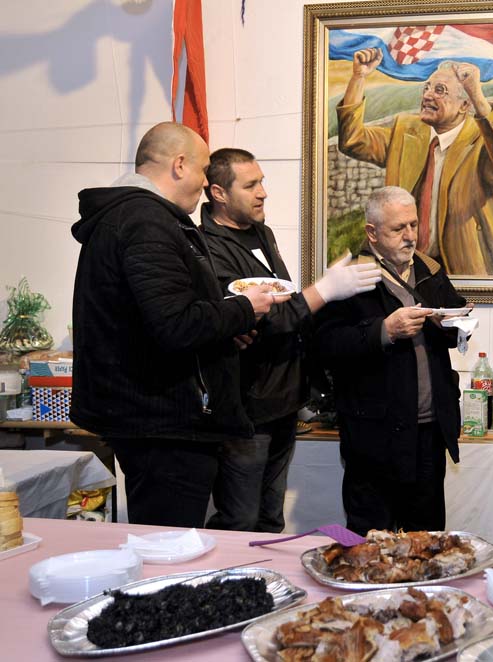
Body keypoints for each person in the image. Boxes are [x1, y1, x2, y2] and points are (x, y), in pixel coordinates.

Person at [70, 122, 288, 527]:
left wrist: (224, 329)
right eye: (205, 170)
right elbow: (174, 324)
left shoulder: (135, 217)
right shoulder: (145, 221)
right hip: (161, 422)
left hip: (152, 416)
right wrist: (244, 308)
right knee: (167, 547)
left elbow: (157, 316)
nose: (206, 183)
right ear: (180, 165)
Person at [200, 148, 381, 532]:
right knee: (240, 519)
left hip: (282, 403)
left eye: (261, 181)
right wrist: (323, 291)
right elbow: (258, 320)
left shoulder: (260, 235)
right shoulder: (208, 247)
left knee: (269, 517)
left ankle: (266, 587)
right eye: (250, 185)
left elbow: (283, 306)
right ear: (218, 192)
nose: (262, 192)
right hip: (247, 411)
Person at [314, 186, 469, 535]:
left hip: (429, 431)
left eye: (413, 225)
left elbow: (449, 326)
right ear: (372, 232)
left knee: (426, 539)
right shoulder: (349, 279)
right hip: (374, 435)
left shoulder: (430, 270)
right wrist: (383, 330)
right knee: (370, 541)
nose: (410, 236)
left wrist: (458, 323)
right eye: (398, 228)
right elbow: (325, 345)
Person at [337, 50, 493, 276]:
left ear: (464, 105)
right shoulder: (405, 130)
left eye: (439, 90)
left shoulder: (481, 139)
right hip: (404, 269)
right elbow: (352, 140)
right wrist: (359, 77)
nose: (428, 96)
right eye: (427, 88)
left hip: (465, 264)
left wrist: (477, 96)